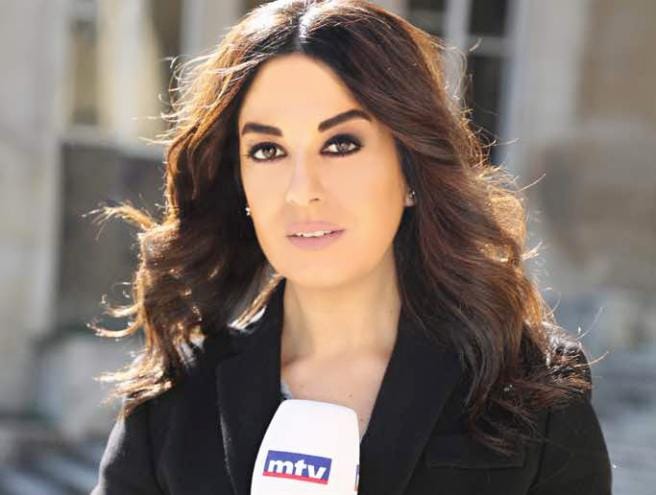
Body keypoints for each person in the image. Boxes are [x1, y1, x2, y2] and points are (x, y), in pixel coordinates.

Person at [90, 0, 612, 494]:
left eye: (341, 144)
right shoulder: (172, 402)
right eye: (267, 150)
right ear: (239, 181)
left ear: (410, 171)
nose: (302, 190)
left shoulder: (528, 389)